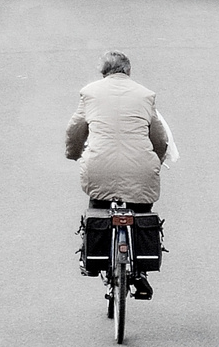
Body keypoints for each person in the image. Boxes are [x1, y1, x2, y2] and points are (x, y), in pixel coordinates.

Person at [65, 51, 169, 299]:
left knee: (98, 204)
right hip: (140, 169)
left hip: (99, 166)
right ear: (128, 71)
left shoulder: (89, 93)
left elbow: (75, 130)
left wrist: (75, 154)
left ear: (104, 72)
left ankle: (92, 258)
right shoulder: (145, 95)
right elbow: (160, 139)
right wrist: (157, 159)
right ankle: (141, 270)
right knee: (142, 209)